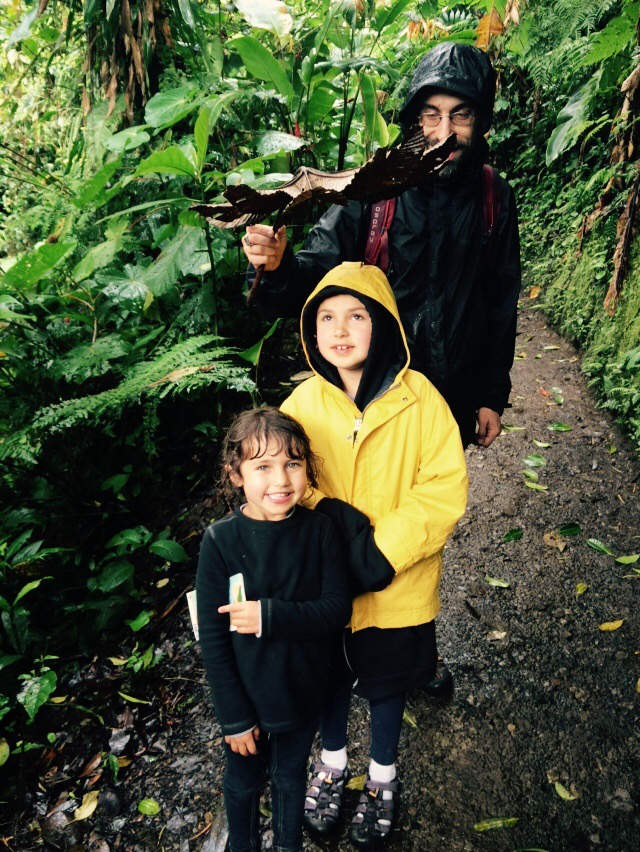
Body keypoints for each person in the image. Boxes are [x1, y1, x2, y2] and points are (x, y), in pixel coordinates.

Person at [242, 40, 521, 694]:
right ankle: (340, 642)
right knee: (346, 513)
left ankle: (409, 658)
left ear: (479, 121)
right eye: (431, 114)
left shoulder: (492, 197)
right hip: (363, 394)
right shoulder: (376, 190)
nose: (445, 131)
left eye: (460, 115)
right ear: (412, 118)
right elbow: (317, 274)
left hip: (443, 400)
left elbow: (500, 301)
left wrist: (491, 394)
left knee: (418, 527)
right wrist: (276, 267)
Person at [280, 261, 468, 847]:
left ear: (383, 323)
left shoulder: (422, 401)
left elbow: (442, 487)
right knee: (331, 676)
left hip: (398, 584)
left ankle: (382, 777)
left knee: (387, 682)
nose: (340, 330)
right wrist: (329, 516)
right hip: (327, 582)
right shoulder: (302, 405)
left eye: (357, 316)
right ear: (311, 330)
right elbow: (285, 480)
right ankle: (333, 763)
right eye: (326, 318)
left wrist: (384, 551)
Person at [196, 407, 352, 852]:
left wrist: (269, 616)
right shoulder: (220, 541)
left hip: (301, 693)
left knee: (288, 777)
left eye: (293, 463)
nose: (281, 480)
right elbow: (214, 641)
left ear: (308, 469)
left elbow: (336, 609)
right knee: (243, 781)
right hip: (247, 698)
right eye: (263, 466)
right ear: (236, 475)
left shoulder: (320, 531)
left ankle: (288, 845)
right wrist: (234, 718)